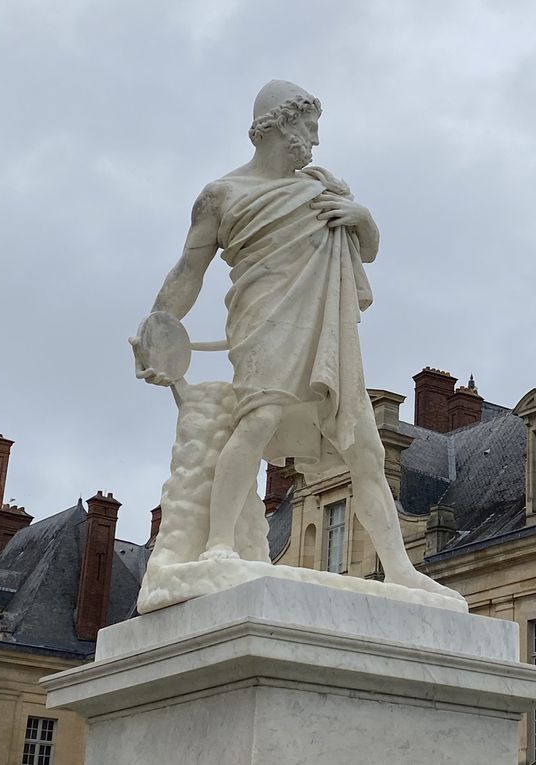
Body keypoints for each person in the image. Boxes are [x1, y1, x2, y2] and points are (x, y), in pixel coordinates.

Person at [134, 80, 460, 602]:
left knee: (365, 449)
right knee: (257, 419)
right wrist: (158, 322)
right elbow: (189, 269)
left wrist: (365, 220)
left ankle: (400, 569)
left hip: (327, 331)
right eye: (309, 128)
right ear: (279, 124)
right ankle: (219, 544)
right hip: (262, 319)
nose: (314, 140)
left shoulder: (323, 187)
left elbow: (366, 251)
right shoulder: (222, 195)